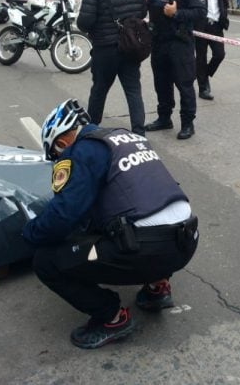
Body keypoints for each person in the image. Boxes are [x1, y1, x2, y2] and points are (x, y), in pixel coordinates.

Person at [23, 99, 199, 350]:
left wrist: (29, 234)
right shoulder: (123, 136)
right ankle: (157, 288)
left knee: (45, 261)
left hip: (151, 250)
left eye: (56, 155)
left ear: (61, 143)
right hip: (186, 239)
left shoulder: (83, 150)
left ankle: (112, 318)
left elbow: (63, 216)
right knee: (126, 219)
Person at [76, 0, 148, 136]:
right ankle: (140, 133)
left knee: (99, 90)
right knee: (133, 91)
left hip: (105, 49)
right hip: (130, 46)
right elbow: (142, 13)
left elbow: (84, 23)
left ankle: (91, 132)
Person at [145, 0, 207, 140]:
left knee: (184, 84)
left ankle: (188, 123)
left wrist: (177, 14)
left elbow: (200, 13)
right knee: (161, 84)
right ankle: (164, 118)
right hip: (159, 43)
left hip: (180, 44)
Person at [191, 0, 229, 101]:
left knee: (220, 54)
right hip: (200, 25)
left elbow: (224, 1)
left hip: (216, 25)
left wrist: (224, 16)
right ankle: (203, 88)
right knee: (200, 57)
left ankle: (204, 74)